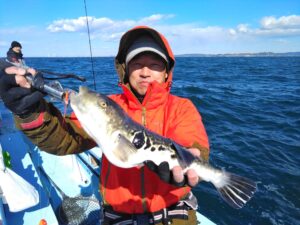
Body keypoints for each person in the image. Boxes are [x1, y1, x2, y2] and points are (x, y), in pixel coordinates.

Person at [0, 26, 210, 224]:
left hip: (175, 213)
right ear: (125, 69)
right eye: (137, 64)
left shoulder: (182, 107)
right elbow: (64, 139)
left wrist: (190, 160)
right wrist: (29, 111)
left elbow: (191, 142)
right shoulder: (110, 105)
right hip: (118, 215)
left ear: (166, 72)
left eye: (155, 65)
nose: (145, 72)